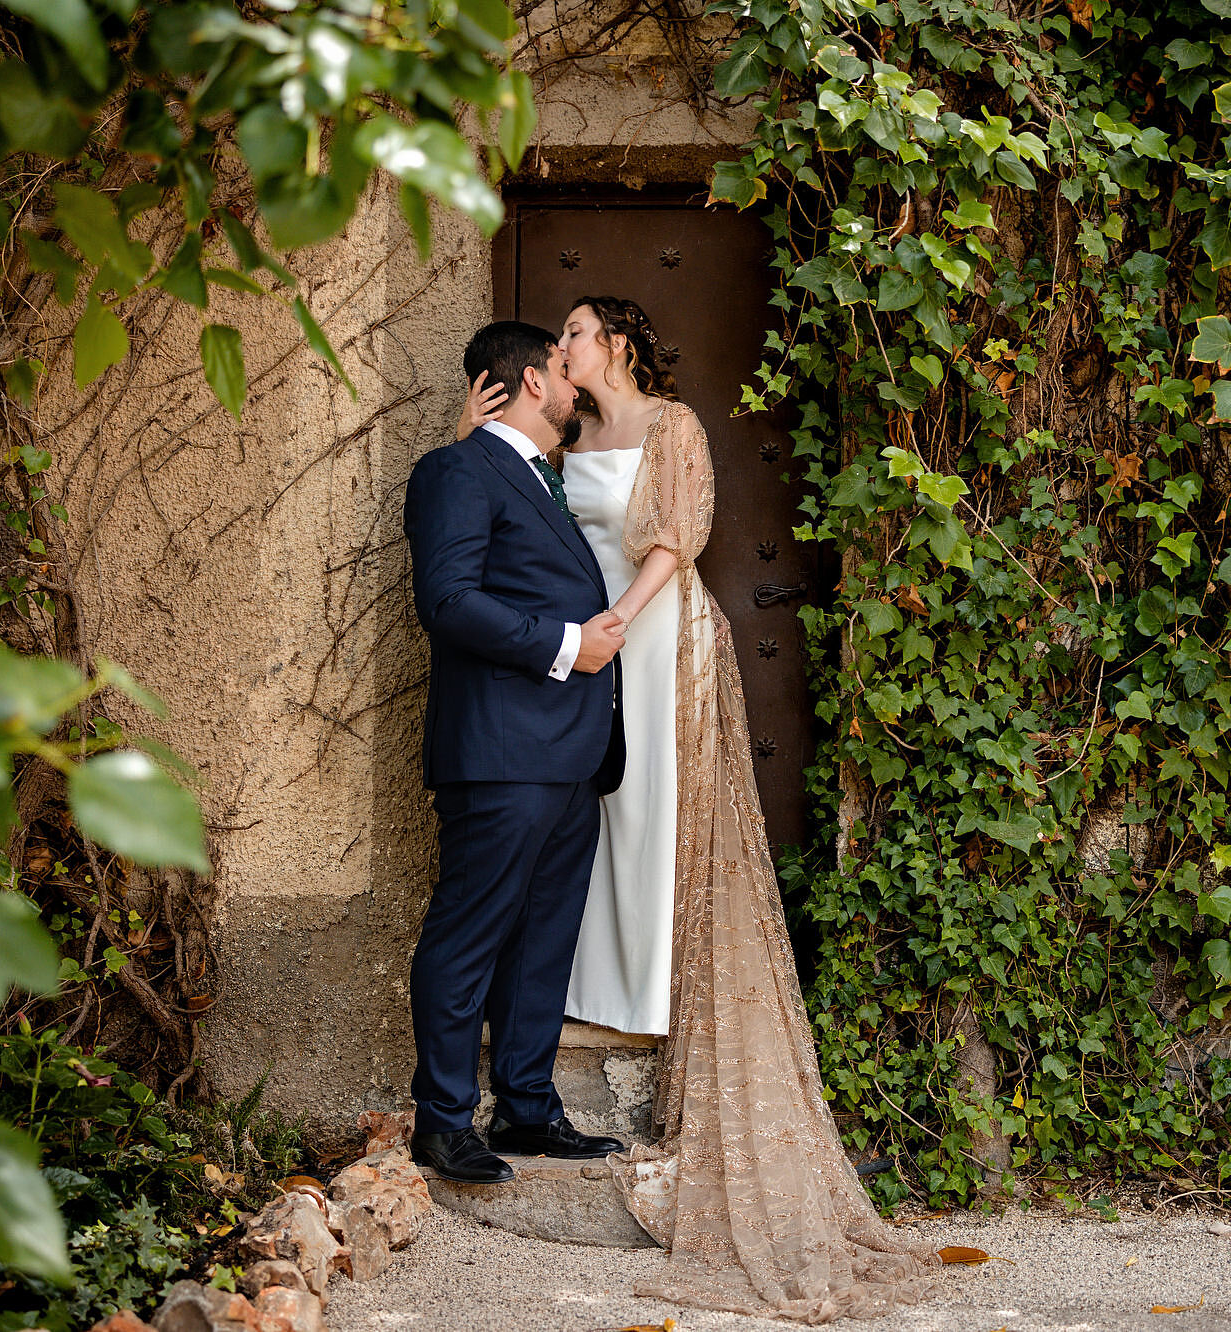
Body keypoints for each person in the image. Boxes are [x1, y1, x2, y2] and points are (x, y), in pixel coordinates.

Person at [456, 297, 940, 1320]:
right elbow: (498, 506)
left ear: (619, 344)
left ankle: (662, 988)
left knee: (654, 808)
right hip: (577, 649)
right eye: (560, 342)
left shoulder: (669, 426)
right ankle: (600, 984)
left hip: (651, 631)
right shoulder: (565, 437)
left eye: (577, 334)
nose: (563, 349)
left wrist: (617, 624)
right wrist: (470, 439)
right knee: (597, 817)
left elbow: (674, 537)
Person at [402, 321, 629, 1185]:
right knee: (468, 937)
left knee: (543, 940)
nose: (577, 390)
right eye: (567, 374)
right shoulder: (457, 470)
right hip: (499, 753)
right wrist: (569, 644)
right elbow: (449, 601)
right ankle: (443, 1120)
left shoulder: (536, 475)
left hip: (569, 754)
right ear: (535, 381)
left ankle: (527, 1106)